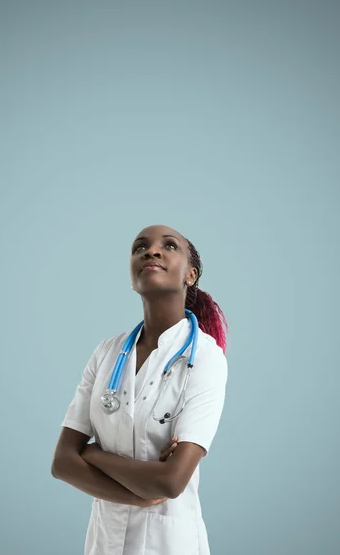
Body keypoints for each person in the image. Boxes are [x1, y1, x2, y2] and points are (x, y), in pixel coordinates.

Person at [51, 224, 229, 555]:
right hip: (104, 542)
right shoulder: (107, 352)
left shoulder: (205, 357)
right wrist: (138, 495)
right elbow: (62, 463)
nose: (152, 251)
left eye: (169, 246)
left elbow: (171, 482)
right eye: (140, 247)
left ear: (190, 275)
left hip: (170, 544)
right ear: (132, 276)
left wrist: (91, 453)